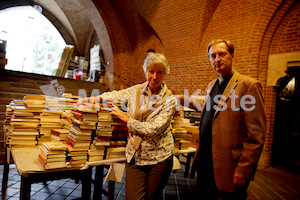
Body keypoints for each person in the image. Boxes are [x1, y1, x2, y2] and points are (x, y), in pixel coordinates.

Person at [78, 52, 177, 200]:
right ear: (146, 71)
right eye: (151, 72)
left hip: (159, 158)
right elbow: (117, 95)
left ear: (165, 74)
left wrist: (126, 119)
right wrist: (94, 98)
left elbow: (153, 129)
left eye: (159, 72)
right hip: (135, 156)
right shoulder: (136, 91)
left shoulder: (169, 99)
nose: (154, 77)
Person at [181, 39, 266, 199]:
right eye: (213, 56)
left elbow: (256, 135)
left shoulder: (248, 85)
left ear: (232, 55)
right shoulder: (212, 85)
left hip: (229, 166)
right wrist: (178, 98)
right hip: (205, 163)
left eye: (222, 54)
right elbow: (207, 107)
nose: (217, 59)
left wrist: (244, 169)